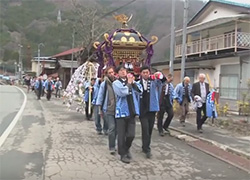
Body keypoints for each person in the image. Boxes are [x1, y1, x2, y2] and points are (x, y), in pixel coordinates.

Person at [113, 65, 142, 164]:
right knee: (121, 135)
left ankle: (126, 148)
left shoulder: (131, 81)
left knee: (131, 135)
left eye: (124, 70)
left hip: (132, 111)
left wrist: (133, 83)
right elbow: (122, 92)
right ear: (117, 73)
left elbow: (140, 91)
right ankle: (123, 154)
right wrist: (129, 84)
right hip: (121, 112)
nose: (123, 72)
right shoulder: (116, 83)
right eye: (120, 70)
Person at [138, 65, 164, 158]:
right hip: (142, 110)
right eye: (143, 73)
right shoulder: (137, 83)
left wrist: (159, 75)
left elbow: (162, 81)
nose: (145, 74)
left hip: (151, 109)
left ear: (149, 73)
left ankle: (145, 145)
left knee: (149, 129)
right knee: (145, 129)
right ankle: (147, 149)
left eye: (147, 72)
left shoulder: (153, 82)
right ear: (141, 74)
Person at [96, 67, 117, 154]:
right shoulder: (104, 84)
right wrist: (99, 109)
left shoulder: (118, 83)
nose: (111, 74)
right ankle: (112, 146)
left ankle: (117, 144)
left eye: (112, 72)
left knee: (118, 129)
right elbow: (100, 96)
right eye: (109, 72)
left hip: (118, 109)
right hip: (108, 109)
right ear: (106, 74)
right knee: (111, 128)